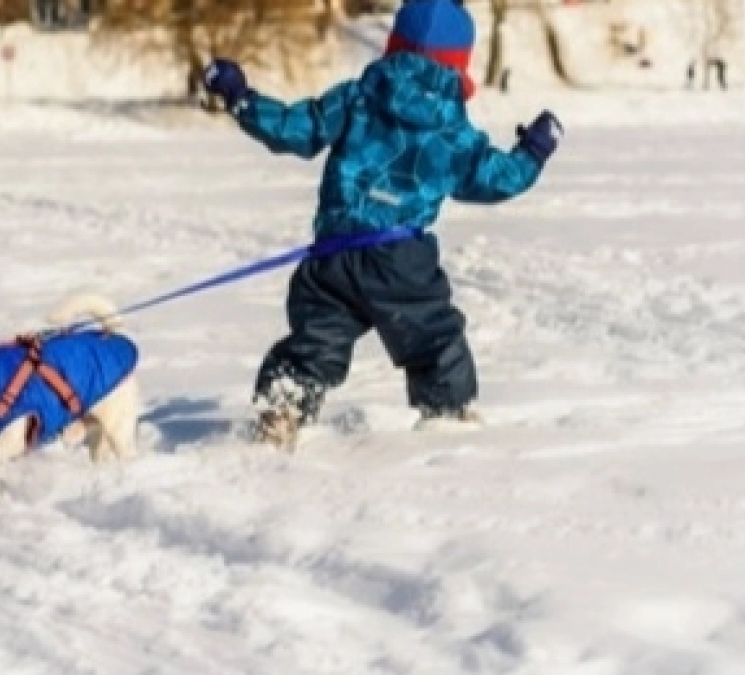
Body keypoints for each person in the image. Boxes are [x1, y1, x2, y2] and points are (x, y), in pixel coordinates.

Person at [201, 0, 562, 445]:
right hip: (402, 263)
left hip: (335, 254)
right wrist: (535, 150)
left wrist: (241, 99)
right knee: (433, 341)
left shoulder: (357, 98)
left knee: (317, 339)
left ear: (394, 45)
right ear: (459, 64)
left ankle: (284, 405)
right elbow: (497, 180)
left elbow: (296, 129)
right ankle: (447, 417)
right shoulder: (452, 133)